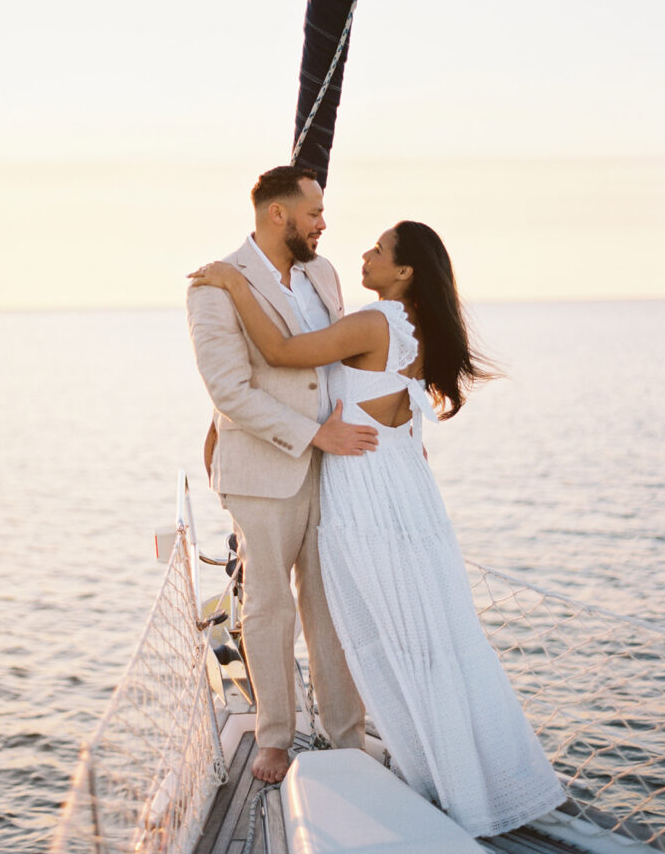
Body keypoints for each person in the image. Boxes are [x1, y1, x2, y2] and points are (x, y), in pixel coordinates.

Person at [189, 219, 565, 837]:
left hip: (363, 490)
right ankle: (466, 776)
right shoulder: (419, 329)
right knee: (428, 633)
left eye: (380, 249)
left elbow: (283, 354)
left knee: (386, 631)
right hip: (405, 493)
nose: (364, 253)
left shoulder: (376, 321)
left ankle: (442, 777)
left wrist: (232, 281)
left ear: (405, 271)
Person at [186, 165, 373, 784]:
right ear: (278, 215)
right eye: (314, 213)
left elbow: (340, 363)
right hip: (264, 471)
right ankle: (274, 739)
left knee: (333, 607)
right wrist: (312, 432)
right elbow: (229, 390)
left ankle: (347, 737)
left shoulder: (324, 274)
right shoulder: (214, 286)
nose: (324, 224)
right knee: (268, 609)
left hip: (336, 467)